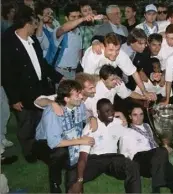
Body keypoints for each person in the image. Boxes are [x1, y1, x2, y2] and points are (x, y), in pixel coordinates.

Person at [1, 5, 63, 163]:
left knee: (41, 121)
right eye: (35, 23)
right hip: (23, 94)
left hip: (39, 89)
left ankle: (40, 147)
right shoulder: (8, 44)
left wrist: (59, 77)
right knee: (26, 124)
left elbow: (41, 64)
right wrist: (14, 99)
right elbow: (7, 75)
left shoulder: (33, 40)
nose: (37, 26)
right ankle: (29, 152)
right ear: (27, 24)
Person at [67, 98, 141, 193]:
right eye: (107, 111)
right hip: (95, 159)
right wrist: (79, 180)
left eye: (112, 110)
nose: (111, 114)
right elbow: (83, 156)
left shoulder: (119, 123)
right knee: (72, 174)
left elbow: (129, 138)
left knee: (132, 166)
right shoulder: (91, 127)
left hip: (113, 159)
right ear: (98, 112)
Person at [34, 80, 95, 193]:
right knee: (60, 153)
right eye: (78, 94)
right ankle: (55, 183)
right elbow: (54, 143)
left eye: (80, 93)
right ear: (66, 99)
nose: (82, 97)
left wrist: (92, 118)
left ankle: (71, 185)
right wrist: (80, 141)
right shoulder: (52, 113)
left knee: (74, 156)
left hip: (67, 137)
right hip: (45, 143)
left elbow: (83, 117)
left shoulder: (79, 104)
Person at [119, 105, 173, 193]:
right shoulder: (126, 132)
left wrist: (164, 149)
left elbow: (153, 144)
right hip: (140, 161)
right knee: (161, 152)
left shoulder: (147, 126)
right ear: (130, 116)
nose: (139, 117)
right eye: (135, 115)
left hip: (155, 161)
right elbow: (122, 154)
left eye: (141, 114)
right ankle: (156, 189)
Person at [82, 33, 157, 101]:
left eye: (117, 50)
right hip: (87, 75)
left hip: (106, 73)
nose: (114, 53)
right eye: (110, 50)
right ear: (103, 46)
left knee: (118, 83)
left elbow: (134, 73)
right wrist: (107, 78)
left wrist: (145, 92)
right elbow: (87, 80)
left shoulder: (120, 54)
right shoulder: (93, 57)